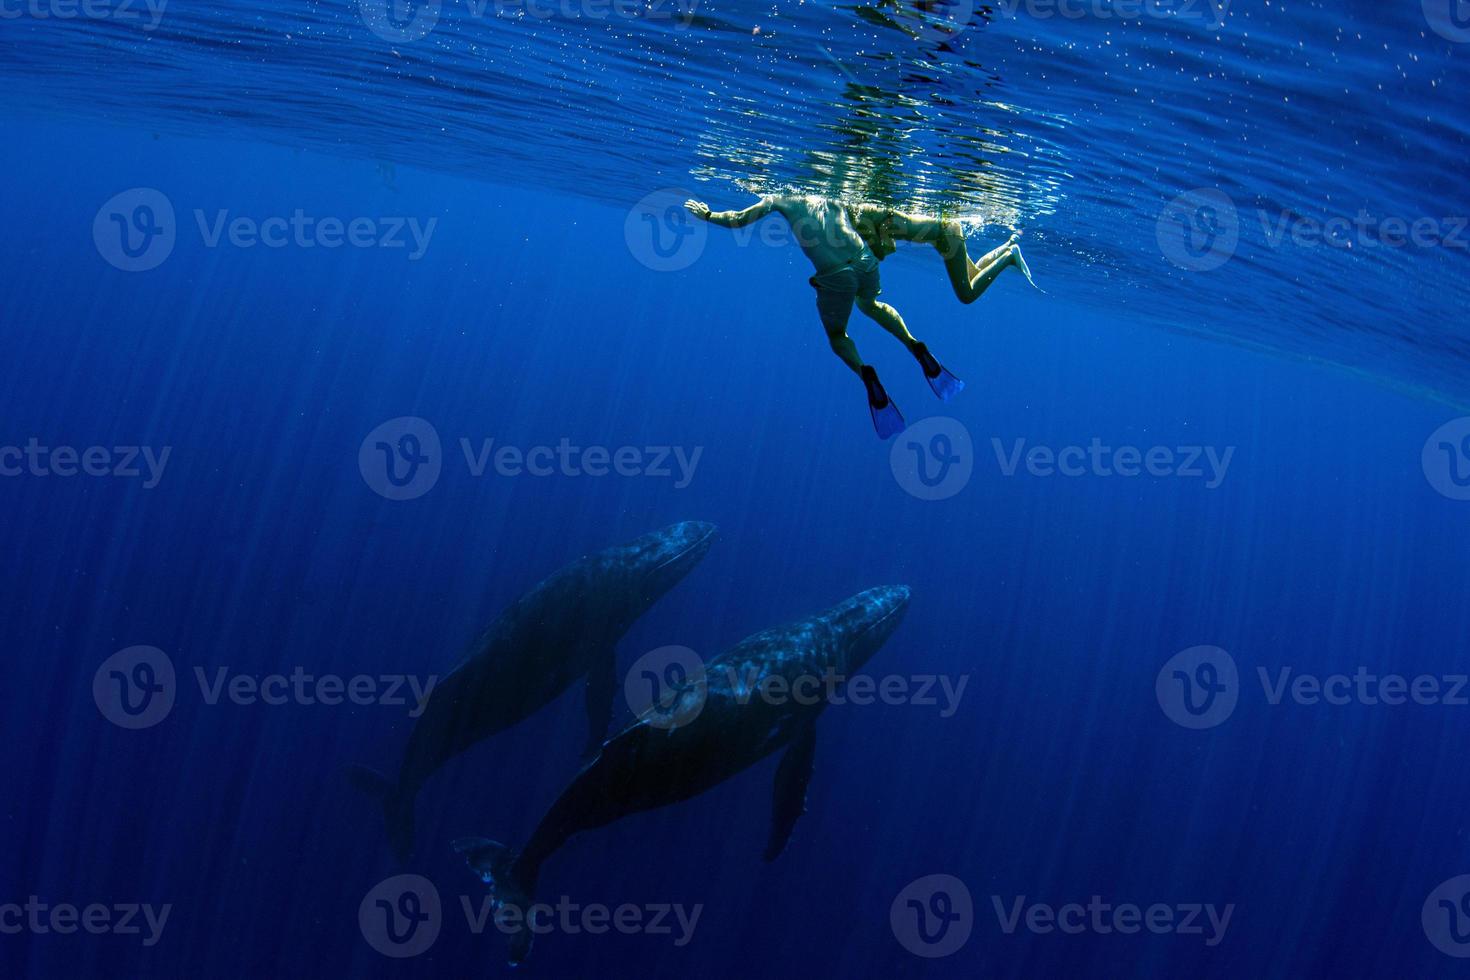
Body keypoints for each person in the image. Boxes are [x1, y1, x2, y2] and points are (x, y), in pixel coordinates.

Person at [683, 194, 963, 439]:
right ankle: (914, 344)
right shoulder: (837, 195)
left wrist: (708, 215)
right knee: (870, 303)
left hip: (834, 275)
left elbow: (739, 219)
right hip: (864, 260)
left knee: (837, 335)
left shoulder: (779, 198)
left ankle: (866, 374)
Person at [848, 205, 1038, 303]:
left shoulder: (860, 220)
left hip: (944, 236)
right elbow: (887, 245)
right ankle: (1009, 245)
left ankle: (1009, 257)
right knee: (975, 275)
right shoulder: (867, 212)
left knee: (966, 295)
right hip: (943, 231)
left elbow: (884, 252)